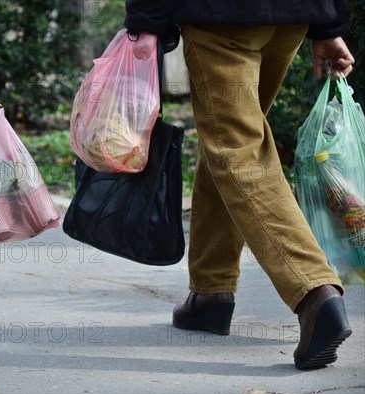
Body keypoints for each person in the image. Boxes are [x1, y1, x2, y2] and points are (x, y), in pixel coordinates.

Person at [125, 0, 355, 370]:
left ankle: (314, 292)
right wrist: (330, 24)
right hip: (291, 17)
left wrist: (145, 21)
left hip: (222, 18)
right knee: (228, 141)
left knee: (237, 152)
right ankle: (210, 292)